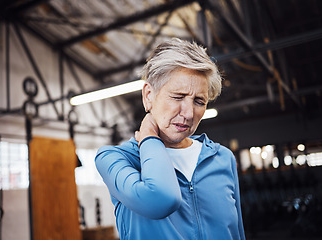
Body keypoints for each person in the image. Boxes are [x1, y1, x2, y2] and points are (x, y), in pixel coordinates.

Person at [95, 38, 245, 240]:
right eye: (177, 97)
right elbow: (160, 198)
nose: (189, 113)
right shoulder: (116, 158)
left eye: (199, 101)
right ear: (148, 95)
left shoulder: (222, 158)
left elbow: (237, 233)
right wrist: (149, 138)